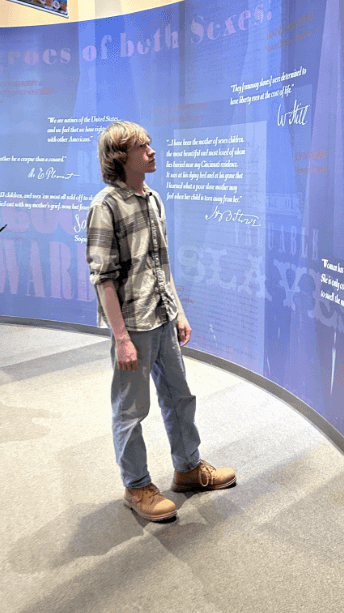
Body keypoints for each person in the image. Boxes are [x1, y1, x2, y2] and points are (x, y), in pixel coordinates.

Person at [86, 121, 236, 522]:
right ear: (121, 157)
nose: (152, 151)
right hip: (133, 325)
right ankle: (137, 486)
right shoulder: (105, 206)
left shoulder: (152, 199)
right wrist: (121, 338)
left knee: (179, 396)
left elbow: (161, 264)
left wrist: (178, 311)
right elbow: (103, 279)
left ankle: (188, 469)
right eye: (142, 147)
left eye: (149, 144)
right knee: (131, 410)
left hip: (163, 316)